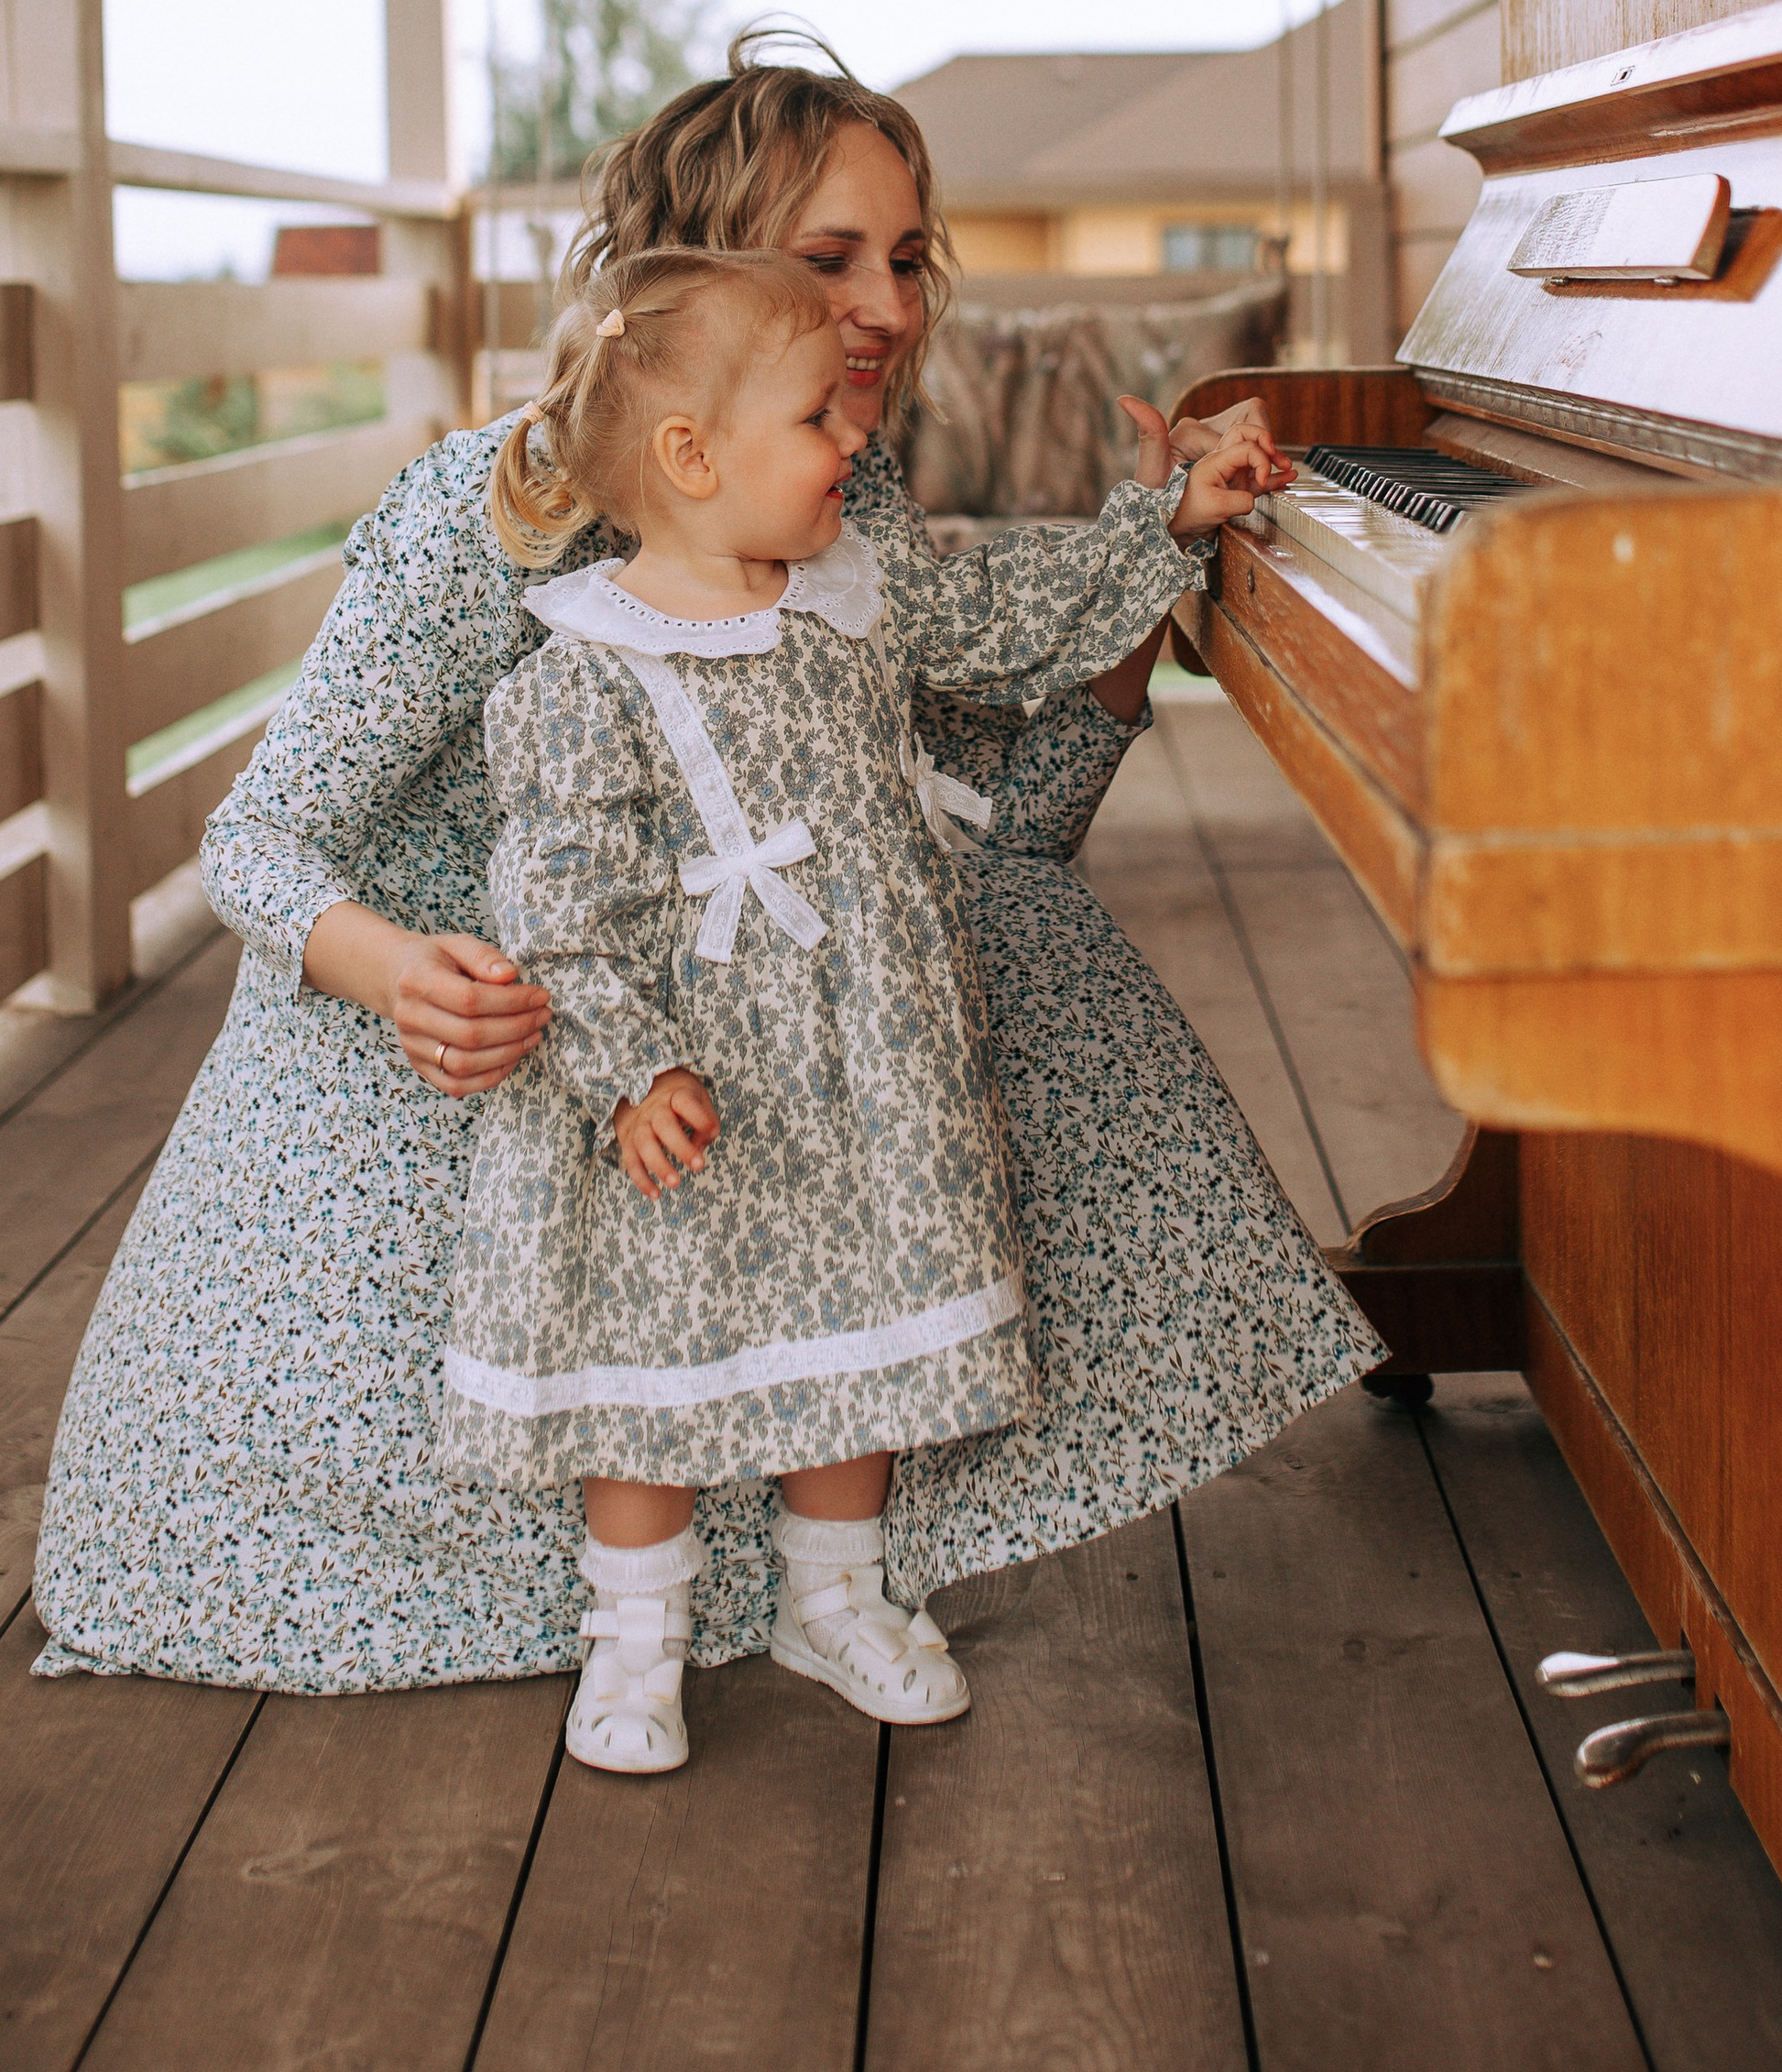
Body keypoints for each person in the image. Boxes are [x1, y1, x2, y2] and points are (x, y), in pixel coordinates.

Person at [31, 32, 1378, 1694]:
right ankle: (644, 1579)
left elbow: (1003, 846)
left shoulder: (832, 495)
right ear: (701, 274)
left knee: (1028, 956)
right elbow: (257, 837)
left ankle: (831, 1554)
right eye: (830, 263)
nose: (885, 307)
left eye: (905, 258)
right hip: (497, 1027)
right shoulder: (501, 512)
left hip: (748, 1037)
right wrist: (399, 973)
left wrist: (1133, 600)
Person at [446, 247, 1276, 1772]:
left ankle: (833, 1597)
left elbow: (1017, 611)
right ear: (692, 459)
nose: (857, 446)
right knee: (649, 1372)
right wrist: (628, 1069)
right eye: (821, 421)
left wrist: (1167, 519)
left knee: (856, 1337)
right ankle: (632, 1642)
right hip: (683, 1092)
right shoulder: (582, 668)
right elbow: (560, 895)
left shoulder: (854, 598)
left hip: (861, 1070)